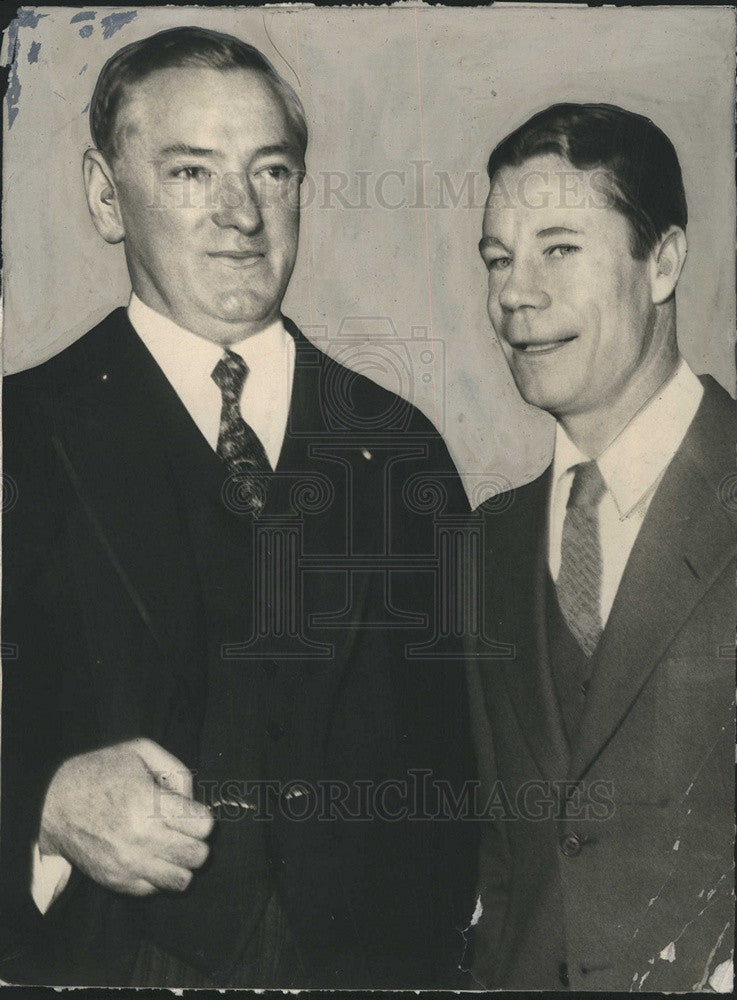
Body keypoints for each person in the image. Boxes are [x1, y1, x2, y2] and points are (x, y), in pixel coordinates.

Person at [0, 26, 475, 988]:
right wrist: (39, 804)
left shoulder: (399, 444)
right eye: (188, 173)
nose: (239, 215)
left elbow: (470, 767)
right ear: (106, 196)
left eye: (270, 171)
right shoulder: (21, 433)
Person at [467, 103, 735, 992]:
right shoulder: (484, 545)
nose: (516, 294)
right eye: (498, 260)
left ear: (661, 260)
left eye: (557, 248)